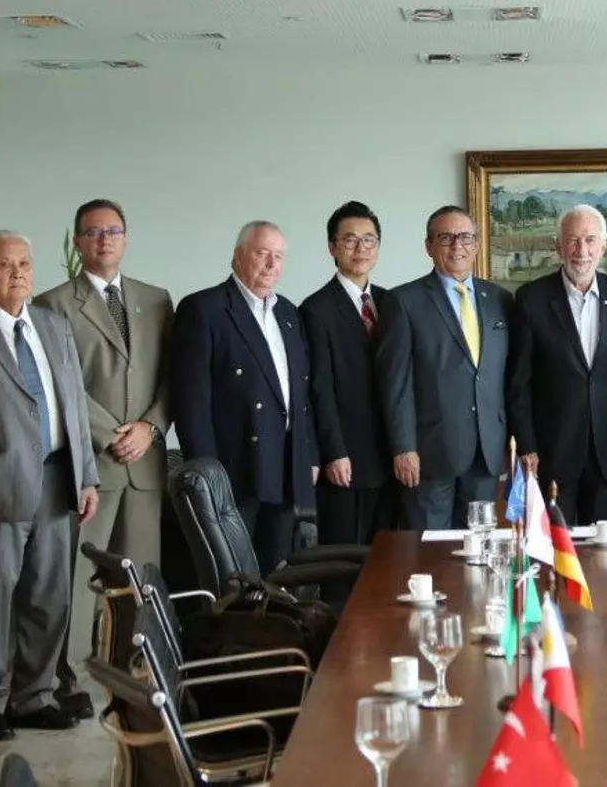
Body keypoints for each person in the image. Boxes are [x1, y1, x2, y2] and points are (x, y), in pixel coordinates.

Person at [0, 230, 100, 742]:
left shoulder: (54, 326)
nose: (17, 273)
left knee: (50, 597)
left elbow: (75, 406)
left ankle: (33, 697)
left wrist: (87, 475)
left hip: (57, 478)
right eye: (4, 265)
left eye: (25, 264)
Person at [34, 199, 172, 720]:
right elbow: (60, 384)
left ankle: (137, 674)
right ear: (77, 242)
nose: (104, 240)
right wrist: (112, 434)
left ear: (126, 237)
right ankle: (69, 679)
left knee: (141, 581)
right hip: (91, 464)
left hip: (145, 463)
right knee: (79, 583)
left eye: (113, 231)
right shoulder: (52, 304)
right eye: (93, 232)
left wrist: (150, 427)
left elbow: (171, 376)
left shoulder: (155, 300)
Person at [174, 221, 320, 573]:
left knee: (276, 571)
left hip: (285, 465)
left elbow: (301, 394)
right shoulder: (204, 309)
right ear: (238, 256)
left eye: (279, 256)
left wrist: (310, 454)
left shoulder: (288, 313)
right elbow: (191, 402)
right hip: (234, 469)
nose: (272, 264)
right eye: (262, 253)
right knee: (232, 577)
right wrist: (208, 476)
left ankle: (272, 613)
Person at [377, 206, 512, 529]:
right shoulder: (403, 301)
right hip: (429, 454)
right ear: (428, 246)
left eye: (465, 237)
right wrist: (403, 447)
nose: (457, 246)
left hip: (486, 453)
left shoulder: (500, 299)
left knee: (479, 545)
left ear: (476, 245)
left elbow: (509, 378)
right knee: (429, 548)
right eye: (446, 237)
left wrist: (512, 443)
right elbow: (396, 384)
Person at [509, 205, 607, 525]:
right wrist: (526, 445)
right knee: (553, 543)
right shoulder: (531, 298)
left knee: (606, 543)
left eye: (589, 240)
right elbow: (519, 381)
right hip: (552, 450)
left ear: (603, 247)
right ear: (558, 247)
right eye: (571, 240)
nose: (581, 250)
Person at [301, 202, 400, 544]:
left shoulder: (392, 303)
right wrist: (333, 452)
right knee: (345, 560)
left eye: (369, 239)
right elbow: (319, 390)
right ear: (332, 247)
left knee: (390, 558)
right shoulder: (315, 310)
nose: (361, 248)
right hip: (346, 460)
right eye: (350, 240)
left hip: (392, 459)